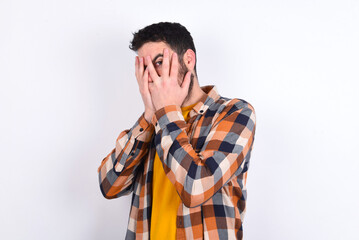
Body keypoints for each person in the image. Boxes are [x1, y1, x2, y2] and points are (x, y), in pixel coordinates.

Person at [97, 22, 256, 240]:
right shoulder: (154, 122)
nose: (150, 75)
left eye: (159, 62)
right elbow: (109, 186)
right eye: (144, 68)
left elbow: (196, 187)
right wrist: (148, 117)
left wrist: (165, 113)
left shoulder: (234, 113)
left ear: (188, 60)